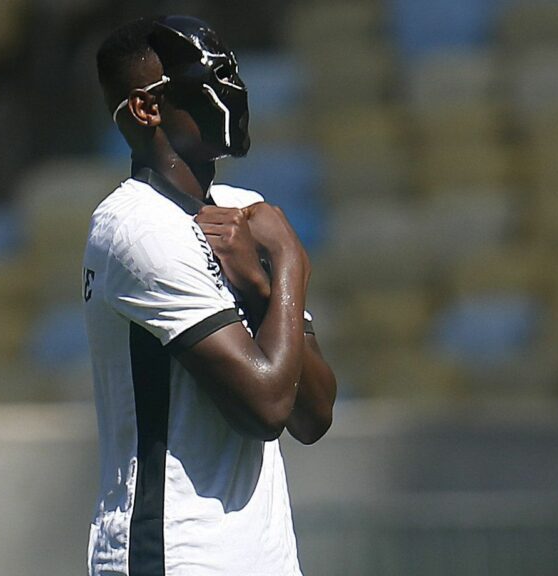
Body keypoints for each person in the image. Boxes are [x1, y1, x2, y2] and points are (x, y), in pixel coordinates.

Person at [83, 15, 337, 576]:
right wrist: (291, 264)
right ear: (146, 110)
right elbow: (266, 406)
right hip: (176, 555)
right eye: (200, 79)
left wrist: (262, 286)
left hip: (265, 559)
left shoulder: (243, 207)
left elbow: (313, 413)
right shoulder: (136, 228)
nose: (225, 91)